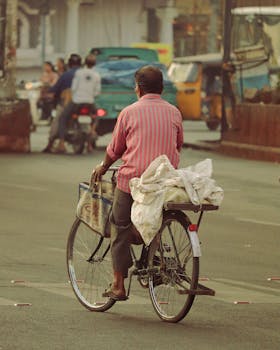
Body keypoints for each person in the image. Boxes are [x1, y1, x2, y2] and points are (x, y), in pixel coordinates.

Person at [91, 65, 183, 301]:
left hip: (133, 179)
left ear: (138, 89)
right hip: (164, 179)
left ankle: (118, 285)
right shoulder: (174, 112)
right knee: (157, 215)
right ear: (161, 88)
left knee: (119, 224)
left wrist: (103, 166)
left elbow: (115, 150)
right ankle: (155, 254)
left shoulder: (129, 112)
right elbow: (178, 145)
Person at [55, 54, 101, 153]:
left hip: (76, 102)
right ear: (94, 64)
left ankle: (61, 143)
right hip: (89, 102)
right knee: (97, 116)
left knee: (63, 117)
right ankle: (91, 135)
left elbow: (74, 88)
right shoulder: (97, 75)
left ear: (84, 63)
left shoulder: (79, 73)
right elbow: (97, 92)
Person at [42, 53, 82, 153]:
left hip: (68, 102)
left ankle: (60, 143)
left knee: (59, 119)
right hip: (86, 102)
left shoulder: (66, 74)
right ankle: (90, 145)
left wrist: (48, 91)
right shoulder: (85, 73)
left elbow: (56, 88)